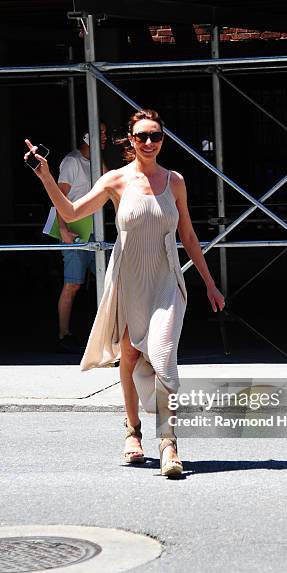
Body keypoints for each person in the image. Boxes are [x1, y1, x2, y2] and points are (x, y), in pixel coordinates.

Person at [25, 109, 224, 477]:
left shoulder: (175, 181)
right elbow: (69, 213)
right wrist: (45, 175)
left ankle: (168, 443)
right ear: (131, 141)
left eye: (156, 136)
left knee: (164, 358)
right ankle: (132, 431)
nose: (150, 142)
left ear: (163, 140)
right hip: (129, 278)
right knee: (130, 354)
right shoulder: (115, 180)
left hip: (166, 280)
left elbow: (189, 236)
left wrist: (209, 282)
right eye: (142, 136)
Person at [57, 124, 107, 353]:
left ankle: (105, 334)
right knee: (73, 283)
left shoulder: (95, 162)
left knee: (106, 282)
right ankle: (63, 334)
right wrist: (63, 230)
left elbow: (109, 181)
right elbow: (59, 197)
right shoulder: (72, 161)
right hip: (75, 230)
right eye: (101, 133)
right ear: (88, 136)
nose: (105, 138)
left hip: (94, 228)